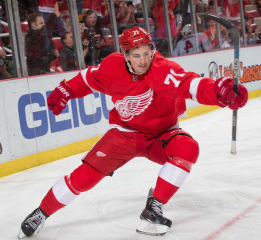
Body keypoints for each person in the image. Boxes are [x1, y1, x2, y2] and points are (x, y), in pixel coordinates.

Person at [18, 26, 248, 238]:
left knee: (188, 148)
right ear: (126, 55)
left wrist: (218, 91)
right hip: (124, 134)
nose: (143, 60)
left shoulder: (163, 70)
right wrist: (67, 89)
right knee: (85, 177)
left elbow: (190, 85)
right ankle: (41, 212)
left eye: (147, 53)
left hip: (162, 135)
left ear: (152, 50)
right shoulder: (112, 66)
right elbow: (89, 79)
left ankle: (154, 206)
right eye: (136, 55)